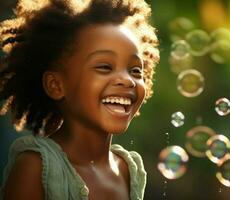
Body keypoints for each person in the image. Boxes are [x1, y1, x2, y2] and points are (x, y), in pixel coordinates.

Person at [0, 0, 159, 199]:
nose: (127, 80)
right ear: (56, 85)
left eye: (136, 70)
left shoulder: (128, 169)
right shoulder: (36, 168)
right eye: (104, 67)